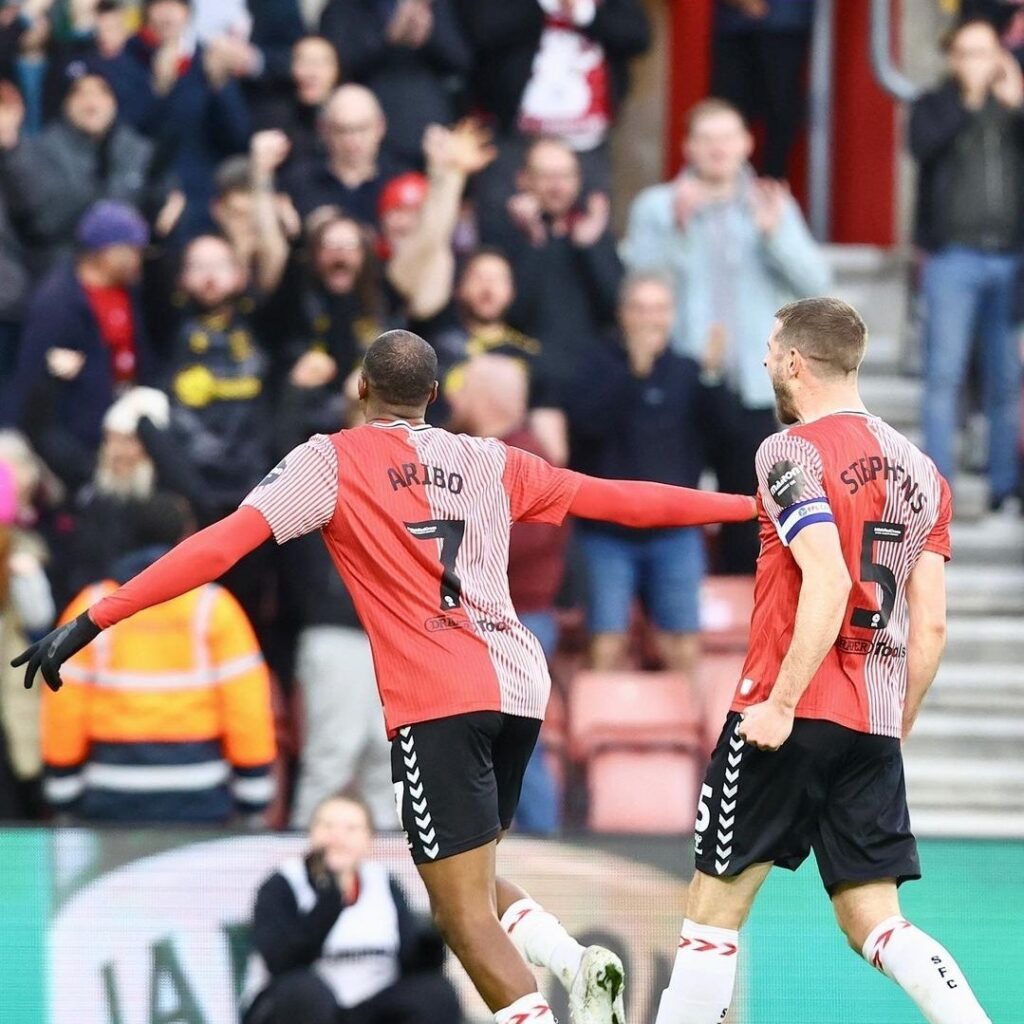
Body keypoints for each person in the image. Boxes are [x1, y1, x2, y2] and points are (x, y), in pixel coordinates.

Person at [14, 329, 756, 1024]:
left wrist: (95, 619)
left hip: (440, 697)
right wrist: (749, 507)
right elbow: (622, 499)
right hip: (521, 685)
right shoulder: (491, 459)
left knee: (459, 914)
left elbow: (217, 547)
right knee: (468, 870)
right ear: (435, 395)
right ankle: (572, 961)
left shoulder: (331, 460)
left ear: (361, 388)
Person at [651, 298, 993, 1024]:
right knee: (875, 919)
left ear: (797, 363)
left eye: (773, 349)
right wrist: (895, 731)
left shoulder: (789, 451)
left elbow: (830, 579)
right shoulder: (926, 472)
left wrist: (779, 702)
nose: (767, 360)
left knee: (712, 915)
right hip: (871, 719)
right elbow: (929, 626)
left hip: (788, 706)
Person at [624, 98, 830, 573]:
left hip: (752, 382)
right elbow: (639, 292)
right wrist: (678, 231)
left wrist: (775, 235)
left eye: (727, 138)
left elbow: (817, 285)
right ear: (688, 147)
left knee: (750, 501)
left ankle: (744, 604)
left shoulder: (770, 202)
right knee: (675, 494)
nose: (718, 149)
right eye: (706, 139)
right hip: (680, 372)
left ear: (746, 144)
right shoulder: (657, 206)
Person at [40, 492, 276, 824]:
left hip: (112, 791)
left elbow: (64, 702)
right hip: (199, 790)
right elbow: (245, 705)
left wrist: (63, 790)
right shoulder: (214, 607)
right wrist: (255, 792)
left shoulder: (90, 606)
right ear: (185, 538)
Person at [566, 271, 727, 679]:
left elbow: (723, 435)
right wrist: (632, 374)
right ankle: (601, 736)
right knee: (606, 645)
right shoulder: (594, 364)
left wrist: (713, 379)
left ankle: (695, 741)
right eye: (639, 308)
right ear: (622, 314)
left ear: (672, 316)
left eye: (658, 309)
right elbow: (585, 427)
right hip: (606, 534)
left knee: (683, 647)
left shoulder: (688, 371)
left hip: (674, 534)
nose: (649, 319)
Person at [447, 354, 567, 834]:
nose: (454, 398)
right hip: (487, 621)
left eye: (464, 388)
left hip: (517, 622)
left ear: (487, 399)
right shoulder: (484, 453)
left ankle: (544, 849)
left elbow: (525, 542)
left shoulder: (525, 459)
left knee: (519, 748)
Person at [909, 17, 1024, 514]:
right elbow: (922, 147)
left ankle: (1003, 486)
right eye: (967, 54)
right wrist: (971, 101)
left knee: (1005, 378)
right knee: (944, 374)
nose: (976, 63)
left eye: (985, 53)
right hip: (953, 257)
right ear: (953, 59)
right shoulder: (934, 105)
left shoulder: (1013, 112)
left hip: (1011, 258)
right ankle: (939, 489)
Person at [242, 792, 462, 1024]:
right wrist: (332, 896)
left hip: (365, 1005)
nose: (338, 837)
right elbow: (282, 962)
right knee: (306, 993)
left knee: (435, 994)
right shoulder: (282, 884)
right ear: (311, 834)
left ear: (369, 841)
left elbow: (408, 960)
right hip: (290, 1007)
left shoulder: (383, 882)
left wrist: (436, 938)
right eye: (327, 826)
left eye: (351, 829)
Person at [2, 201, 153, 474]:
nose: (138, 258)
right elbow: (33, 389)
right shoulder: (58, 303)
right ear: (106, 252)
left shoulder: (127, 291)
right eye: (132, 249)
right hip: (84, 436)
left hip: (127, 413)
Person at [479, 135, 623, 402]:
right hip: (528, 377)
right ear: (523, 179)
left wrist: (590, 248)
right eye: (546, 176)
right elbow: (512, 312)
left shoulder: (592, 233)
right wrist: (535, 241)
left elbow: (616, 308)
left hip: (589, 377)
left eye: (565, 176)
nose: (557, 187)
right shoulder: (502, 231)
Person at [0, 70, 177, 276]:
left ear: (114, 101)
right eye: (80, 94)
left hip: (132, 270)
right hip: (60, 271)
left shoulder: (139, 151)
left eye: (101, 93)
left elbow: (164, 210)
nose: (91, 104)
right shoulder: (37, 151)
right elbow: (44, 222)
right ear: (65, 102)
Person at [319, 0, 471, 168]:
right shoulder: (344, 7)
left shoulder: (433, 5)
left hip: (430, 125)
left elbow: (461, 60)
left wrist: (430, 35)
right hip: (372, 129)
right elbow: (338, 65)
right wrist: (390, 36)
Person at [711, 0, 815, 179]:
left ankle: (771, 183)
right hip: (734, 23)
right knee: (729, 108)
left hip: (784, 21)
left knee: (781, 107)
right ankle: (724, 183)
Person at [280, 83, 403, 224]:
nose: (352, 140)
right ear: (323, 129)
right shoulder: (298, 183)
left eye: (362, 129)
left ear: (380, 127)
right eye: (341, 130)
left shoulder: (400, 179)